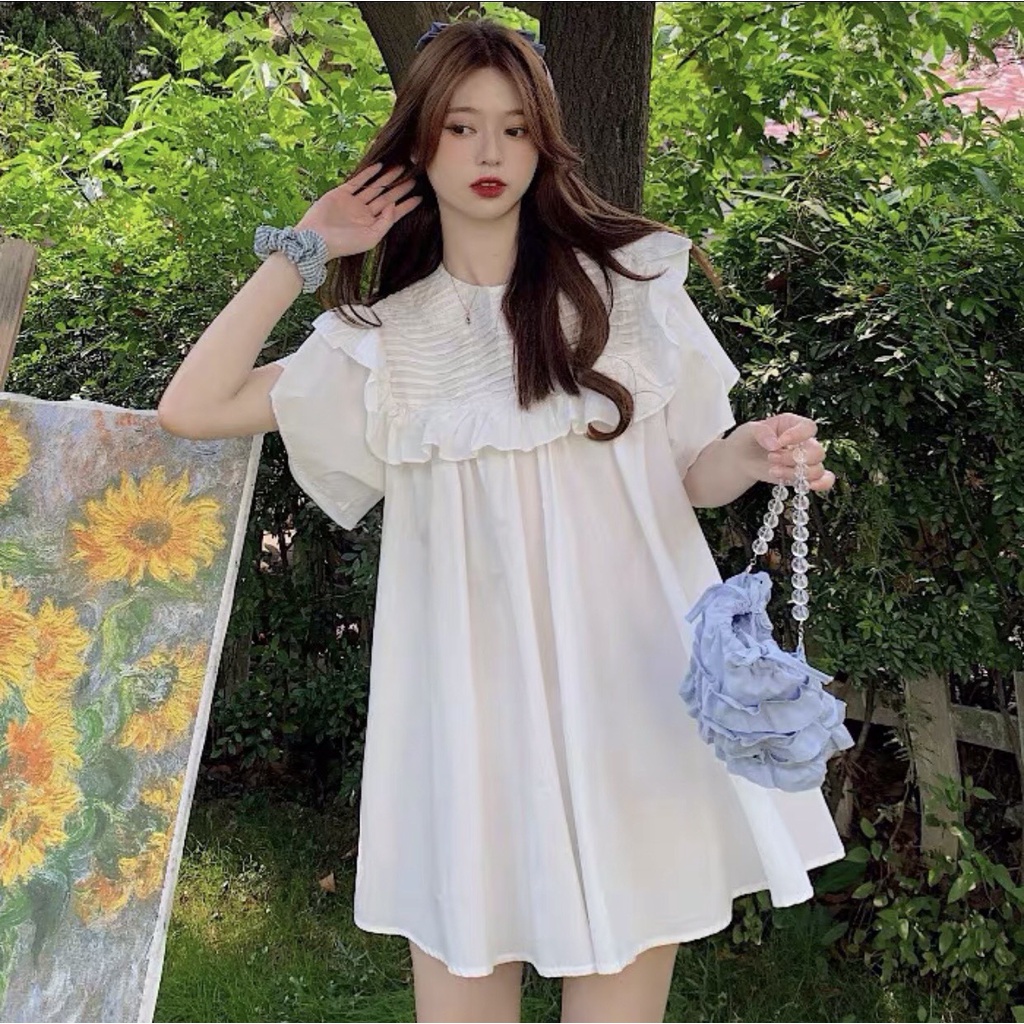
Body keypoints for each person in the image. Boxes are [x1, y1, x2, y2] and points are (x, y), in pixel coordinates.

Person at [157, 18, 843, 1024]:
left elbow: (692, 472)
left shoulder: (632, 289)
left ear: (543, 144)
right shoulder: (380, 344)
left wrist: (752, 451)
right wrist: (305, 249)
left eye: (515, 128)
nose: (490, 152)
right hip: (467, 718)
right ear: (419, 142)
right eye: (462, 126)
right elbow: (192, 407)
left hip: (627, 699)